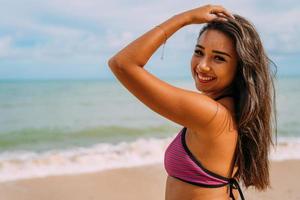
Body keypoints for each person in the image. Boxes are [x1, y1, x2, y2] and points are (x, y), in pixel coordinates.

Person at [108, 4, 277, 200]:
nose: (203, 66)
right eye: (199, 52)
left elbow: (122, 64)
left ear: (240, 67)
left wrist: (184, 18)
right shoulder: (234, 109)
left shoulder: (211, 113)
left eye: (219, 58)